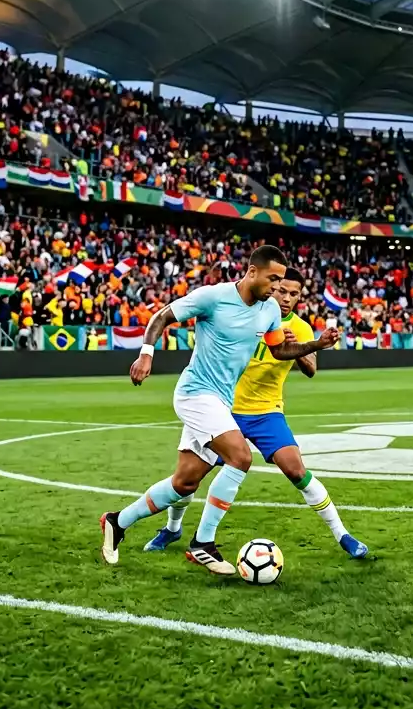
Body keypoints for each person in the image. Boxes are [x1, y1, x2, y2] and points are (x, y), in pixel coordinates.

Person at [99, 245, 340, 575]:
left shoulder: (268, 309)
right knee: (240, 457)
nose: (276, 288)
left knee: (184, 483)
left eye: (281, 281)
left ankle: (116, 522)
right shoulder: (213, 297)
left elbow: (280, 349)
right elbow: (162, 316)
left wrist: (317, 344)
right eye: (273, 279)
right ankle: (202, 543)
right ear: (252, 272)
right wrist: (146, 354)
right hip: (195, 393)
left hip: (220, 402)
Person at [142, 268, 368, 559]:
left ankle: (343, 535)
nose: (286, 298)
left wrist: (293, 347)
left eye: (294, 294)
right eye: (281, 290)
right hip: (225, 408)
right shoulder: (250, 311)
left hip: (266, 412)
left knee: (297, 470)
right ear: (271, 285)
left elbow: (310, 369)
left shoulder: (299, 327)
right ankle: (173, 528)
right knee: (187, 477)